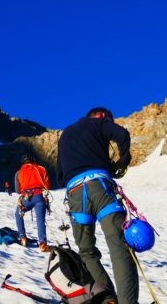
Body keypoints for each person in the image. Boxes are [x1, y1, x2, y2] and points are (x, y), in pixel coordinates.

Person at [56, 107, 138, 304]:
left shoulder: (65, 134)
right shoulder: (99, 123)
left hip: (75, 194)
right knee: (118, 245)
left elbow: (59, 177)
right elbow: (122, 134)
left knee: (86, 251)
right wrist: (122, 162)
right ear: (101, 116)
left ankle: (108, 298)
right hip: (100, 186)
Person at [13, 153, 50, 252]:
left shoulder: (18, 173)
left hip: (26, 197)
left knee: (18, 214)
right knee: (40, 220)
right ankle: (42, 243)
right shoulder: (41, 169)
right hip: (39, 197)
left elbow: (17, 190)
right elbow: (46, 185)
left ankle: (23, 238)